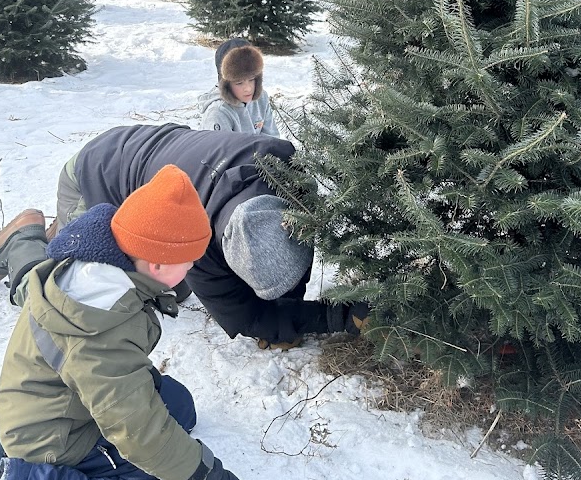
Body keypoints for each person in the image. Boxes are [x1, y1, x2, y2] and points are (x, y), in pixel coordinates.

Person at [0, 165, 263, 480]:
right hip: (56, 440)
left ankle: (10, 447)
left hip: (50, 395)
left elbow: (112, 378)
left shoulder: (96, 260)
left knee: (180, 407)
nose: (193, 267)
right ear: (157, 263)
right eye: (189, 260)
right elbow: (137, 430)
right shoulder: (102, 322)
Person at [50, 123, 368, 349]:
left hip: (147, 149)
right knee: (78, 289)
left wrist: (298, 306)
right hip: (94, 176)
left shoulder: (288, 177)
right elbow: (246, 317)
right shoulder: (190, 234)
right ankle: (23, 239)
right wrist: (336, 317)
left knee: (173, 285)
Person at [200, 38, 280, 136]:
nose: (248, 88)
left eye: (251, 79)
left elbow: (272, 139)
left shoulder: (261, 98)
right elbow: (220, 150)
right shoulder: (218, 112)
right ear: (226, 85)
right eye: (239, 83)